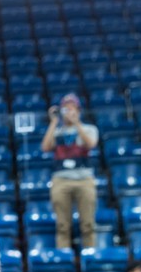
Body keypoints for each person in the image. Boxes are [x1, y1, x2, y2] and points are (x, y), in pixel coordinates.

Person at [41, 93, 99, 249]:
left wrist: (77, 123)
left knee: (88, 223)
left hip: (84, 179)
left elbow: (90, 144)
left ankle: (90, 255)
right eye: (65, 109)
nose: (69, 113)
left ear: (79, 111)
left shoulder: (89, 129)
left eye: (72, 109)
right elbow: (45, 147)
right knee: (62, 225)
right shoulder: (57, 131)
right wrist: (53, 122)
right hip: (61, 180)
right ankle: (63, 256)